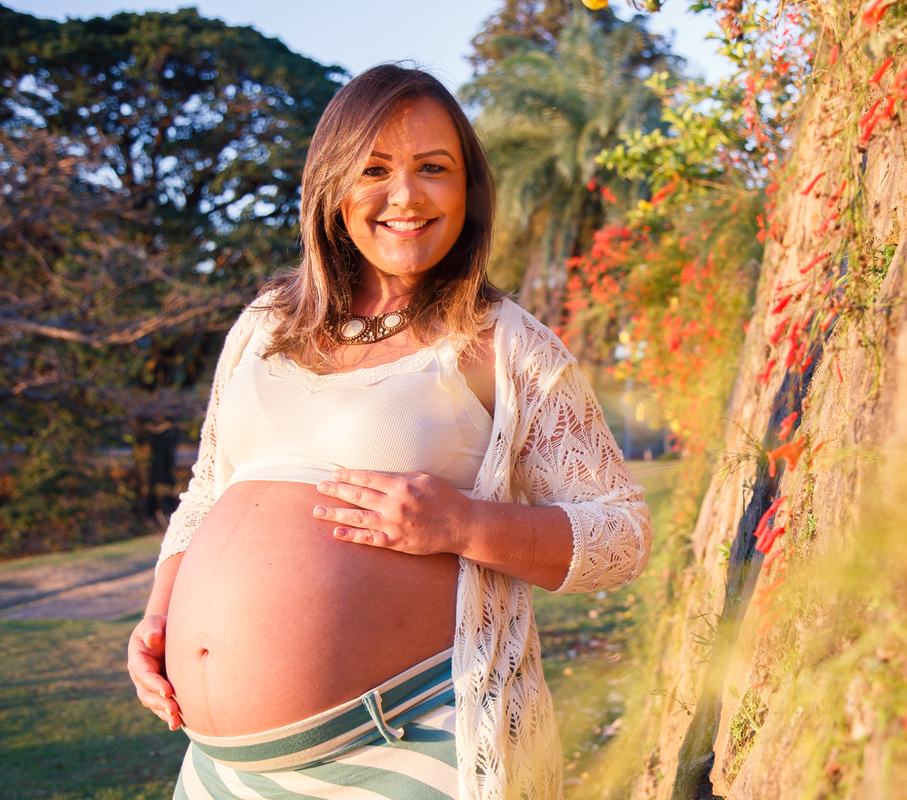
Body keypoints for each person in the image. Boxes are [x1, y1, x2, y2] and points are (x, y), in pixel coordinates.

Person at [126, 63, 652, 800]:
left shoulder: (501, 344)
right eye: (374, 169)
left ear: (468, 191)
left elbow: (621, 534)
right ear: (332, 187)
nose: (405, 196)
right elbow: (207, 491)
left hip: (411, 749)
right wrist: (158, 616)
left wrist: (463, 523)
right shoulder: (261, 327)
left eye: (434, 168)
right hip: (218, 773)